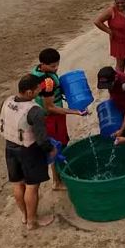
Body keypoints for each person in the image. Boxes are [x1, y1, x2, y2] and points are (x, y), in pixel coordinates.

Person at [0, 74, 57, 230]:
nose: (40, 91)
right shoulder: (34, 111)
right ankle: (33, 221)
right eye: (38, 89)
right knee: (32, 186)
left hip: (10, 147)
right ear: (30, 92)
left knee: (18, 183)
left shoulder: (7, 102)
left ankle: (25, 216)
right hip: (28, 151)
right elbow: (41, 138)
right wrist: (51, 150)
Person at [32, 48, 87, 190]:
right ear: (42, 64)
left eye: (57, 65)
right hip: (51, 118)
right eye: (52, 66)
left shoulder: (39, 72)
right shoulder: (46, 81)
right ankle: (57, 182)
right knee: (56, 147)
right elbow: (50, 107)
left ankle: (60, 176)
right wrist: (75, 112)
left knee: (61, 144)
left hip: (54, 117)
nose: (56, 68)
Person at [97, 66, 125, 138]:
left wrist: (121, 130)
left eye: (108, 85)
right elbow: (112, 92)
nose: (107, 87)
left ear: (116, 78)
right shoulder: (111, 79)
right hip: (121, 107)